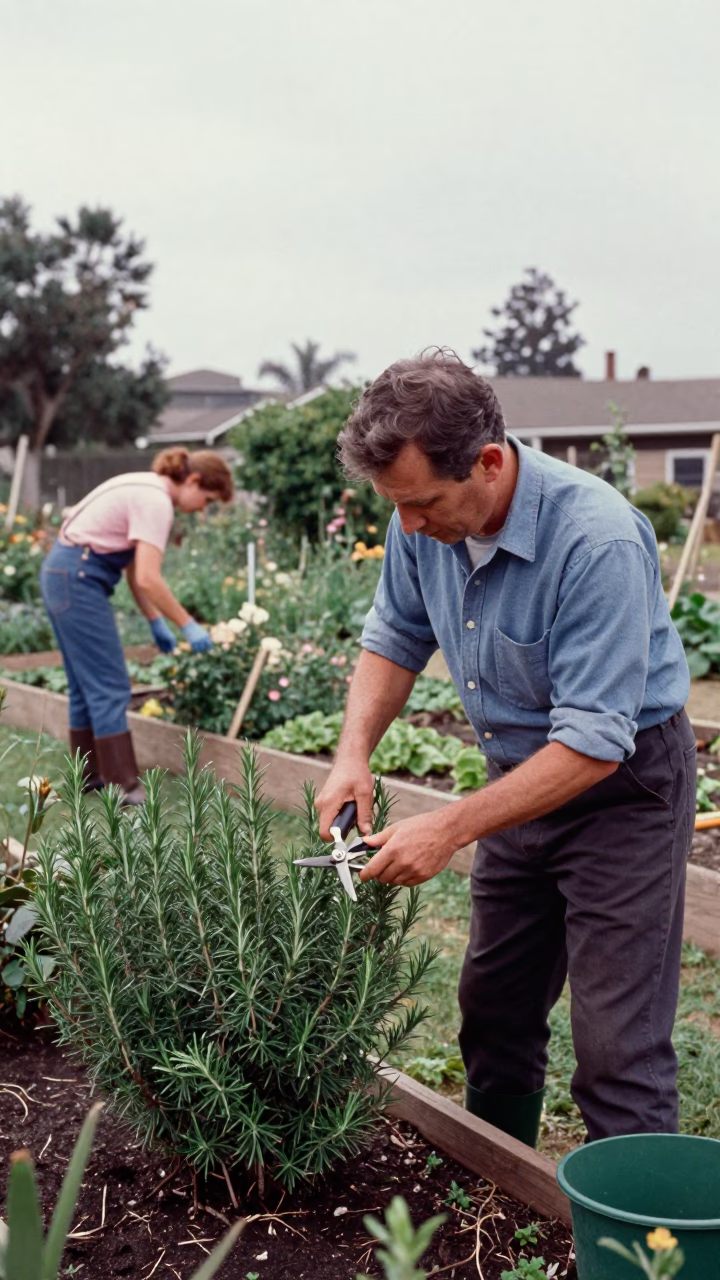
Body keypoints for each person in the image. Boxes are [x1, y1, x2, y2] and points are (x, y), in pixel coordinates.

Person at [316, 349, 695, 1148]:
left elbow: (594, 743)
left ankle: (641, 1256)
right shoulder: (415, 514)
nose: (409, 524)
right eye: (397, 505)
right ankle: (499, 1193)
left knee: (617, 1047)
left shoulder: (596, 540)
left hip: (622, 793)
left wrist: (448, 827)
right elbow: (395, 638)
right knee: (495, 1009)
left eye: (422, 502)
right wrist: (352, 755)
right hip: (516, 782)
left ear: (488, 462)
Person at [40, 447, 233, 804]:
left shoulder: (145, 486)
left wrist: (155, 620)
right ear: (192, 480)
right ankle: (124, 788)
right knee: (111, 686)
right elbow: (148, 577)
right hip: (77, 579)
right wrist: (188, 624)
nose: (201, 509)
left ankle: (92, 778)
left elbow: (133, 571)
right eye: (206, 499)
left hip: (62, 572)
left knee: (86, 687)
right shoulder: (156, 501)